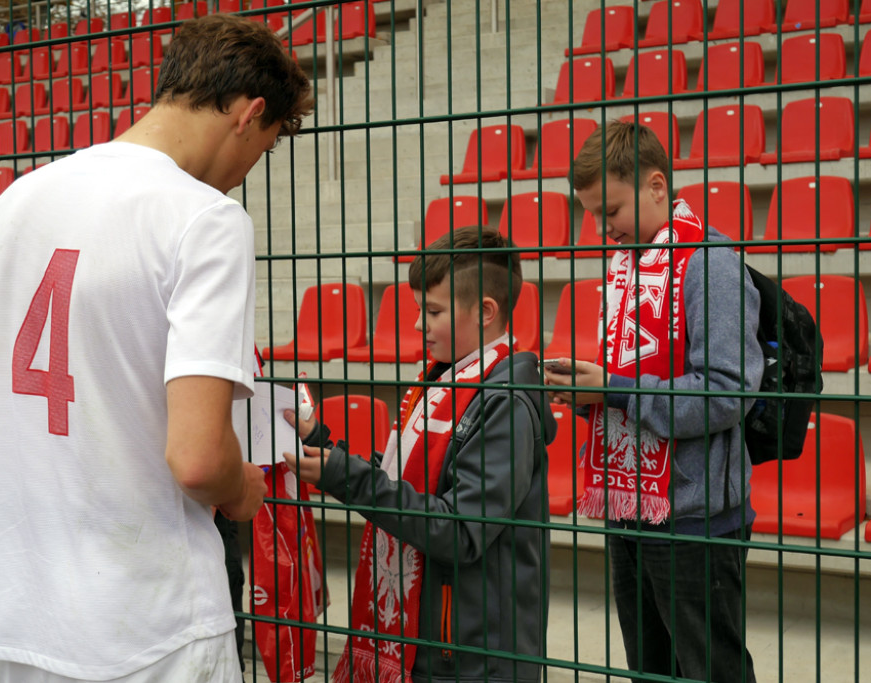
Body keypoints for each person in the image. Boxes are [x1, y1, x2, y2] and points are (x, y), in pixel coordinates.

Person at [0, 14, 313, 682]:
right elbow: (200, 458)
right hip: (151, 621)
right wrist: (243, 489)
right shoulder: (205, 219)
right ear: (250, 113)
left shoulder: (18, 199)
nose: (245, 171)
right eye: (262, 147)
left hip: (24, 617)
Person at [283, 225, 555, 683]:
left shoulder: (503, 402)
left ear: (485, 312)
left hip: (470, 656)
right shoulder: (440, 382)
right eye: (417, 310)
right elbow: (404, 484)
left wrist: (346, 477)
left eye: (432, 311)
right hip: (439, 645)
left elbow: (462, 530)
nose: (416, 325)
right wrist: (322, 445)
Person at [543, 120, 763, 683]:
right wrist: (590, 392)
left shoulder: (711, 265)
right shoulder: (626, 267)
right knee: (652, 669)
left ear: (657, 186)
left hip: (695, 517)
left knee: (712, 670)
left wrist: (613, 389)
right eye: (593, 213)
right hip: (630, 506)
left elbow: (727, 392)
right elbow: (628, 378)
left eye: (609, 210)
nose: (601, 228)